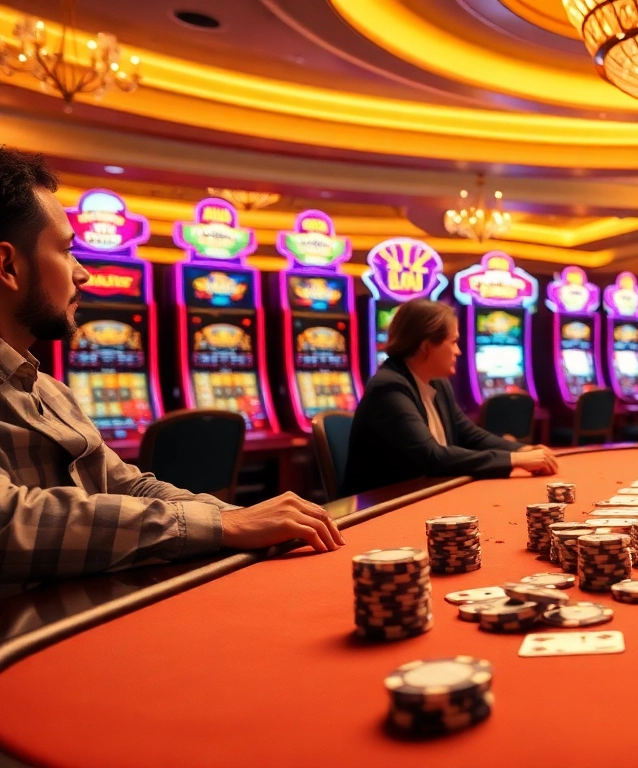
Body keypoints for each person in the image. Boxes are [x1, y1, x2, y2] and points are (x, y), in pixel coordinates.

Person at [0, 147, 343, 583]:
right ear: (8, 265)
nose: (83, 273)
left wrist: (242, 517)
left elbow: (127, 485)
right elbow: (11, 521)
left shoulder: (50, 391)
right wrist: (223, 526)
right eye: (67, 251)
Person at [342, 298, 557, 496]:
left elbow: (470, 435)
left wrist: (522, 449)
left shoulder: (437, 382)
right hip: (380, 510)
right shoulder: (388, 388)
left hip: (423, 494)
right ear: (427, 347)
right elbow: (432, 457)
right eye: (453, 342)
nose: (459, 351)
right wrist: (515, 460)